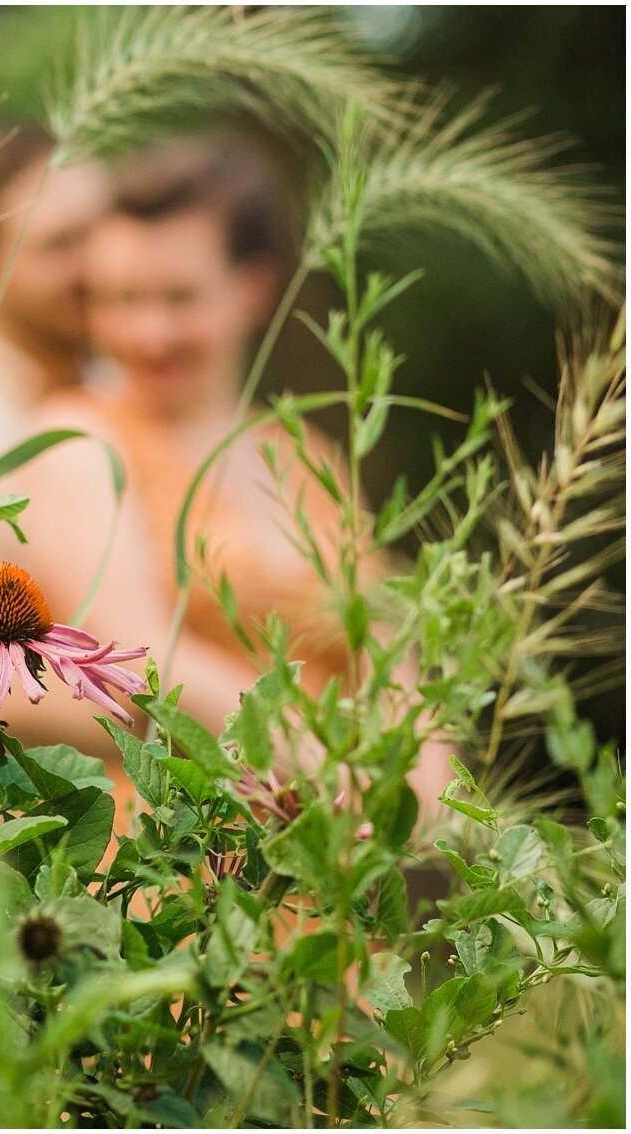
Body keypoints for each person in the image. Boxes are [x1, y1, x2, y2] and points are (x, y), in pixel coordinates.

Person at [44, 130, 455, 808]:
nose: (148, 334)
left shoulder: (307, 457)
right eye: (119, 299)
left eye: (178, 298)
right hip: (176, 853)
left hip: (338, 858)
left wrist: (419, 797)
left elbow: (390, 663)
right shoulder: (78, 439)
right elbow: (131, 654)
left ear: (251, 291)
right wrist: (319, 760)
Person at [0, 125, 266, 765]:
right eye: (59, 246)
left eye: (97, 229)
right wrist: (247, 730)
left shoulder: (140, 389)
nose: (97, 262)